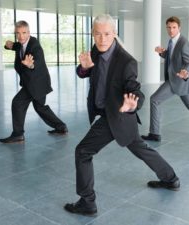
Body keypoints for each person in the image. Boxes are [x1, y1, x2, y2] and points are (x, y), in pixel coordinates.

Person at [64, 14, 179, 217]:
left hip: (117, 115)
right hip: (110, 114)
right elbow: (86, 72)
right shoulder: (95, 50)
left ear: (114, 33)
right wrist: (83, 68)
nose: (102, 39)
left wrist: (132, 105)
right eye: (98, 34)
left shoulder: (127, 62)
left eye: (107, 34)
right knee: (140, 148)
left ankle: (87, 202)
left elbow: (135, 90)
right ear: (93, 34)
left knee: (82, 152)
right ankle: (171, 178)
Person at [141, 16, 189, 142]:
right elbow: (173, 57)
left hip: (177, 80)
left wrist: (186, 72)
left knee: (154, 99)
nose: (171, 30)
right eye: (168, 27)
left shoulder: (184, 43)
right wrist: (162, 53)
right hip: (177, 81)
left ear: (179, 28)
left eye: (174, 27)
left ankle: (154, 134)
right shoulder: (172, 41)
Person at [0, 20, 68, 143]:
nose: (21, 36)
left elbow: (37, 60)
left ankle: (18, 134)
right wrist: (8, 45)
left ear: (29, 32)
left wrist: (31, 65)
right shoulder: (22, 43)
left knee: (17, 103)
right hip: (33, 82)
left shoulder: (35, 46)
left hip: (36, 83)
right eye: (18, 33)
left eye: (24, 33)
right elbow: (17, 46)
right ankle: (61, 127)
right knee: (40, 107)